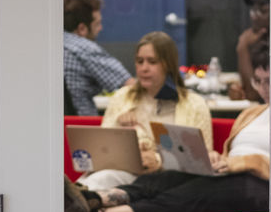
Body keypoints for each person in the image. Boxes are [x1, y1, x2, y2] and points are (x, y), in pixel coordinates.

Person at [72, 41, 271, 212]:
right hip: (231, 173)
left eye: (270, 81)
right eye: (259, 81)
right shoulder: (251, 113)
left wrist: (243, 163)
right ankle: (90, 200)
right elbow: (224, 154)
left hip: (262, 185)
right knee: (164, 180)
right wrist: (217, 158)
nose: (264, 89)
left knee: (192, 192)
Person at [77, 31, 212, 190]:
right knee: (100, 179)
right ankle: (71, 200)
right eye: (139, 61)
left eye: (152, 62)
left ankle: (74, 200)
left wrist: (157, 160)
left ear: (168, 64)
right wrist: (122, 127)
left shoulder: (194, 104)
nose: (144, 68)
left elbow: (202, 161)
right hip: (125, 173)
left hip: (172, 180)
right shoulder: (122, 98)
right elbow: (101, 153)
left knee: (101, 182)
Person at [63, 0, 135, 115]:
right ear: (82, 29)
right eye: (97, 24)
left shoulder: (52, 45)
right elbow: (131, 87)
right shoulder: (85, 48)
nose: (100, 28)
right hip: (83, 127)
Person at [228, 0, 270, 102]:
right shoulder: (254, 40)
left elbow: (254, 95)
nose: (254, 16)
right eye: (253, 10)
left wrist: (243, 47)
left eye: (263, 10)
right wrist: (237, 90)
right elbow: (249, 90)